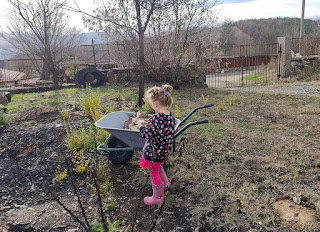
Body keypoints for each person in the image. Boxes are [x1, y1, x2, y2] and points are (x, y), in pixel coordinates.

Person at [138, 84, 175, 205]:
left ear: (155, 104)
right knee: (158, 167)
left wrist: (141, 128)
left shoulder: (154, 119)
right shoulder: (170, 117)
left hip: (153, 153)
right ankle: (166, 184)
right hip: (164, 151)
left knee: (154, 172)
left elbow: (147, 135)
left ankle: (158, 197)